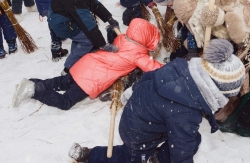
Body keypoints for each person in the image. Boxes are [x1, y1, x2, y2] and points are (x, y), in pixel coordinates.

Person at [67, 39, 245, 163]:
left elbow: (150, 76)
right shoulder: (186, 112)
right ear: (217, 90)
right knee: (129, 157)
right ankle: (90, 156)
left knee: (192, 138)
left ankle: (157, 159)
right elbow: (181, 153)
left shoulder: (181, 68)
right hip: (138, 132)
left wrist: (132, 92)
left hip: (143, 112)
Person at [12, 18, 163, 110]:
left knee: (62, 82)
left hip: (86, 63)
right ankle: (34, 90)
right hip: (92, 79)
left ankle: (31, 83)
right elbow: (154, 67)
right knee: (65, 102)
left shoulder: (123, 38)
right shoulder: (138, 55)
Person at [48, 0, 120, 75]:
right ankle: (68, 69)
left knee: (81, 37)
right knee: (87, 40)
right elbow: (88, 23)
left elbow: (95, 5)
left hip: (63, 17)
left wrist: (110, 19)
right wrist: (102, 44)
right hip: (61, 23)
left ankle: (78, 56)